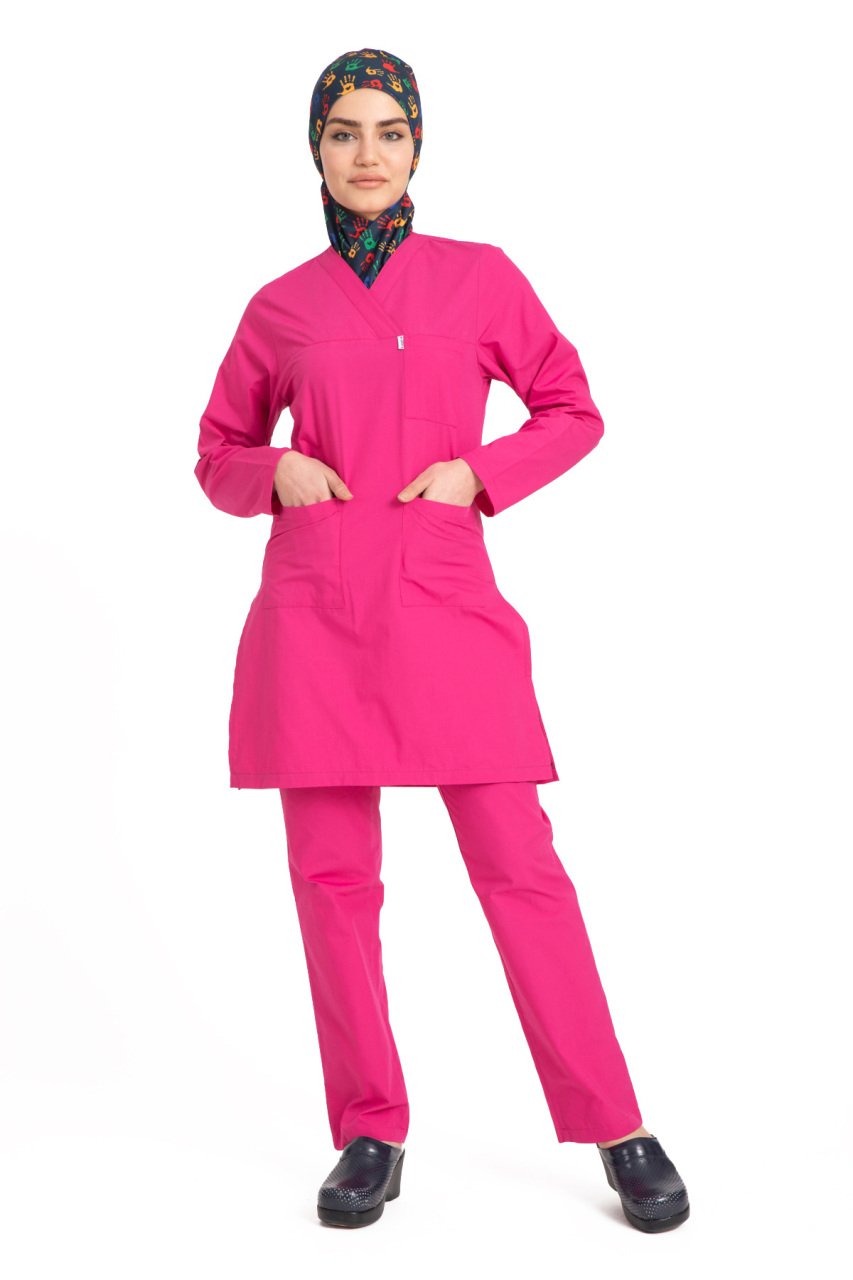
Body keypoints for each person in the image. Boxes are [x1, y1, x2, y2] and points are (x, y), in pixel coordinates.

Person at [194, 47, 690, 1234]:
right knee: (332, 882)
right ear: (314, 149)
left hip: (445, 608)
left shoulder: (480, 278)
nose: (366, 154)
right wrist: (274, 468)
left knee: (521, 868)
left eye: (388, 132)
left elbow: (571, 407)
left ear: (418, 144)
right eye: (344, 133)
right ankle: (369, 1128)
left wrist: (479, 471)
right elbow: (216, 452)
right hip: (317, 621)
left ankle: (616, 1121)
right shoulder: (280, 306)